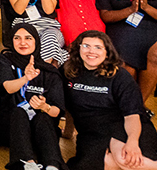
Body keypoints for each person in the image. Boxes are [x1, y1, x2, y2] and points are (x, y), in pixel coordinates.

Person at [65, 31, 157, 170]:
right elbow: (68, 105)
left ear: (107, 52)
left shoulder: (120, 76)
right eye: (86, 46)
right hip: (92, 131)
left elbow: (132, 114)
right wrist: (67, 132)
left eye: (98, 47)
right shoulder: (68, 72)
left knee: (122, 158)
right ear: (78, 49)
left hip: (124, 124)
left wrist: (132, 141)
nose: (91, 51)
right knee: (106, 163)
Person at [0, 23, 66, 170]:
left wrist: (45, 107)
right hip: (9, 127)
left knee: (43, 117)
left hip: (40, 132)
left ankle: (53, 165)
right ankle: (26, 164)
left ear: (36, 41)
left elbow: (57, 111)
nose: (22, 42)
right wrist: (25, 78)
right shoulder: (6, 60)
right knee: (19, 112)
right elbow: (6, 88)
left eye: (28, 38)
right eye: (17, 38)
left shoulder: (49, 71)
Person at [96, 0, 157, 100]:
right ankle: (128, 104)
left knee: (155, 55)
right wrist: (130, 10)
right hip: (121, 29)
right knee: (127, 67)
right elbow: (106, 16)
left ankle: (139, 105)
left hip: (151, 30)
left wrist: (146, 8)